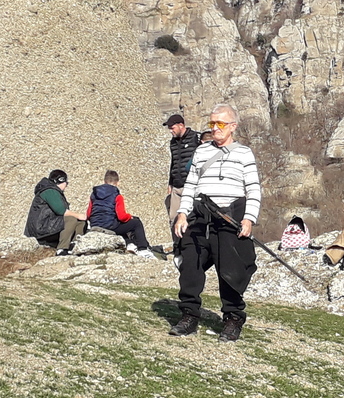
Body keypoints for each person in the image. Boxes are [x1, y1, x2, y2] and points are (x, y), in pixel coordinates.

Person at [170, 103, 262, 341]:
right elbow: (190, 185)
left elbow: (253, 189)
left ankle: (232, 319)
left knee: (230, 270)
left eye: (220, 123)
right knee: (191, 265)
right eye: (211, 123)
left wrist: (249, 219)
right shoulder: (201, 152)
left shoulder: (244, 153)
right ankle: (189, 315)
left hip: (230, 218)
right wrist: (182, 213)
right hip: (200, 216)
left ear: (232, 126)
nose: (215, 128)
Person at [86, 170, 152, 253]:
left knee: (119, 223)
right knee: (136, 223)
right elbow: (122, 217)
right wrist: (129, 217)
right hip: (109, 226)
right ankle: (143, 249)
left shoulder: (94, 194)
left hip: (95, 225)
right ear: (117, 183)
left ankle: (129, 243)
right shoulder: (117, 196)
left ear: (104, 181)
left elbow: (88, 214)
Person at [25, 169, 85, 254]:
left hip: (47, 224)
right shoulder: (50, 191)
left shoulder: (52, 191)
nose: (67, 186)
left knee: (80, 222)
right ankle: (62, 249)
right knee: (71, 219)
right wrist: (78, 215)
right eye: (66, 183)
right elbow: (60, 211)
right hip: (41, 228)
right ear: (61, 181)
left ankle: (74, 245)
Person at [164, 113, 202, 227]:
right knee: (174, 219)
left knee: (192, 218)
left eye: (172, 128)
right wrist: (170, 183)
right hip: (177, 186)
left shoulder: (196, 138)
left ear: (181, 125)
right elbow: (174, 162)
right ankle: (177, 244)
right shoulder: (173, 142)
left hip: (192, 185)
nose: (171, 131)